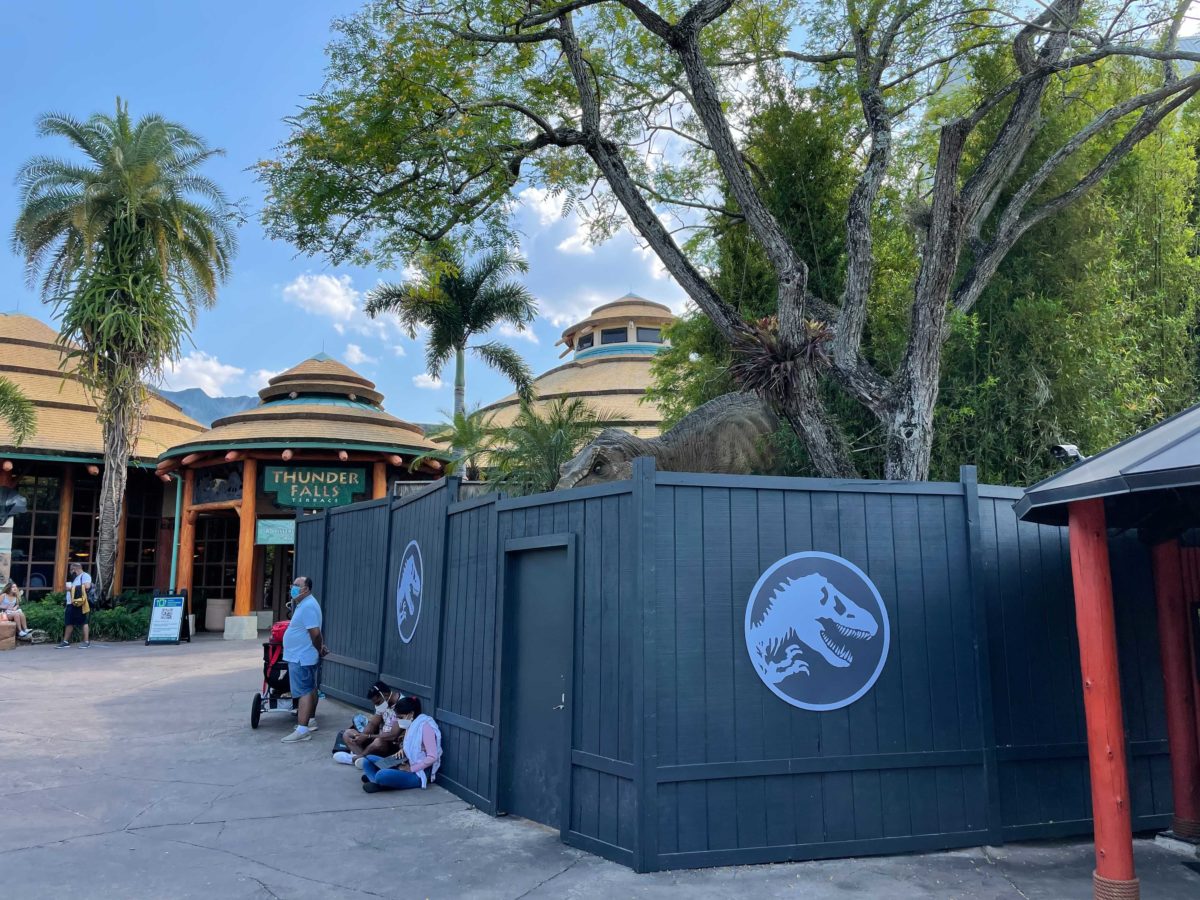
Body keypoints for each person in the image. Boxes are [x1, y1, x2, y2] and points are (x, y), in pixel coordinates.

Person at [281, 576, 328, 743]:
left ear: (306, 589)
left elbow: (315, 633)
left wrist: (319, 648)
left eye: (297, 585)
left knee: (304, 692)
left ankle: (302, 730)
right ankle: (310, 720)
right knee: (310, 687)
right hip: (302, 655)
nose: (292, 588)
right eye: (292, 584)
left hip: (301, 656)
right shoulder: (305, 604)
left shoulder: (308, 606)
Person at [360, 697, 443, 792]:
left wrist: (411, 768)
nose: (399, 721)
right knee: (367, 760)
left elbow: (432, 757)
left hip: (417, 773)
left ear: (411, 713)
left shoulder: (425, 727)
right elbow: (413, 746)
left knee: (381, 775)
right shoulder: (411, 724)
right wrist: (403, 750)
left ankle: (378, 781)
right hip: (404, 763)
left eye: (400, 717)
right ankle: (377, 782)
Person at [334, 681, 402, 765]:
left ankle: (356, 758)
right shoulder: (384, 703)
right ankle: (362, 761)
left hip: (392, 743)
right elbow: (373, 724)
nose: (377, 706)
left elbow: (393, 735)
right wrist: (362, 736)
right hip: (380, 736)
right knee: (347, 734)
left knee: (378, 742)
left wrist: (368, 736)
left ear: (385, 694)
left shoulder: (402, 705)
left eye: (378, 702)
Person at [57, 562, 91, 648]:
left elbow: (87, 586)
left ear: (75, 569)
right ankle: (65, 641)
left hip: (80, 603)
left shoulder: (85, 576)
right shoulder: (75, 578)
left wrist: (71, 588)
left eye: (71, 570)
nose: (70, 572)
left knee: (83, 622)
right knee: (69, 622)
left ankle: (86, 642)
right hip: (71, 603)